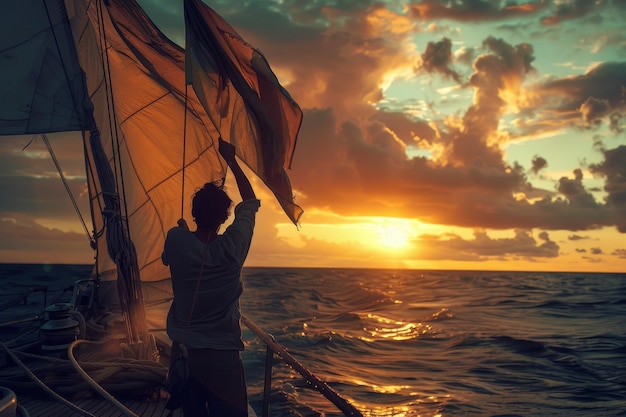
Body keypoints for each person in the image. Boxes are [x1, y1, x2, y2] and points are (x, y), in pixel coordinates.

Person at [162, 137, 260, 417]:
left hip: (185, 355)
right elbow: (251, 201)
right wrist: (231, 160)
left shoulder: (175, 240)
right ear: (225, 217)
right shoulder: (233, 247)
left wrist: (183, 232)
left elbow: (173, 254)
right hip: (223, 358)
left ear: (194, 213)